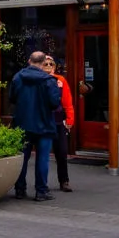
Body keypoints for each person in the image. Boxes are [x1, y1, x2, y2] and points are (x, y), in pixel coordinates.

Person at [9, 50, 63, 201]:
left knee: (22, 158)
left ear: (29, 61)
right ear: (43, 63)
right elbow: (55, 103)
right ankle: (41, 191)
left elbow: (12, 98)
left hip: (23, 124)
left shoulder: (18, 77)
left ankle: (20, 189)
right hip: (44, 124)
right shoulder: (49, 80)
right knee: (42, 159)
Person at [44, 55, 75, 193]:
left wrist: (70, 119)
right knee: (43, 154)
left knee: (62, 151)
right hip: (44, 121)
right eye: (45, 64)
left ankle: (64, 181)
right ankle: (42, 183)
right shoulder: (38, 80)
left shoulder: (60, 80)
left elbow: (67, 102)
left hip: (58, 120)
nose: (48, 66)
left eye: (51, 64)